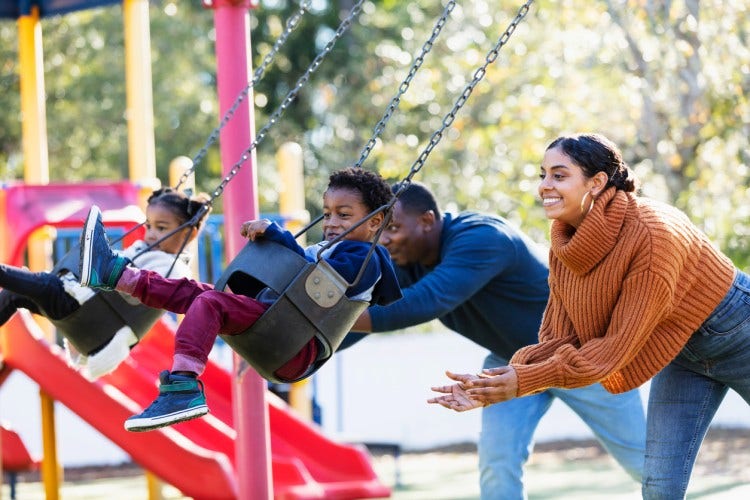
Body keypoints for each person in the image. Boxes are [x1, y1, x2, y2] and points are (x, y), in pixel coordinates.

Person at [428, 132, 750, 499]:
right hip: (683, 353)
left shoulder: (652, 236)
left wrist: (519, 381)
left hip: (740, 332)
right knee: (660, 486)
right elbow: (558, 339)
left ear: (596, 182)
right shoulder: (566, 243)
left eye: (559, 175)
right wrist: (493, 384)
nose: (544, 186)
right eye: (542, 174)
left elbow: (611, 351)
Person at [348, 180, 646, 500]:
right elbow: (367, 313)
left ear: (427, 221)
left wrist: (337, 320)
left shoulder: (483, 238)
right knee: (497, 462)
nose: (386, 240)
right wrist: (309, 343)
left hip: (578, 356)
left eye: (392, 228)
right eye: (380, 232)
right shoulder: (408, 261)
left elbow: (427, 301)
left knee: (642, 460)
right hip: (512, 361)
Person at [79, 167, 401, 432]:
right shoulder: (337, 248)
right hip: (280, 326)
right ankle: (115, 274)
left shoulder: (364, 258)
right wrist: (278, 238)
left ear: (374, 221)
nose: (331, 223)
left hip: (294, 341)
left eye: (344, 215)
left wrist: (279, 237)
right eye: (328, 213)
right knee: (196, 293)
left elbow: (309, 279)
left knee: (210, 303)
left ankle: (183, 387)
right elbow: (305, 268)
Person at [0, 187, 211, 379]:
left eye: (161, 228)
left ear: (189, 233)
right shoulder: (145, 250)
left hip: (89, 316)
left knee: (36, 282)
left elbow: (138, 295)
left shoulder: (173, 269)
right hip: (81, 311)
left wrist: (110, 267)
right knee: (14, 294)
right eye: (148, 226)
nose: (151, 234)